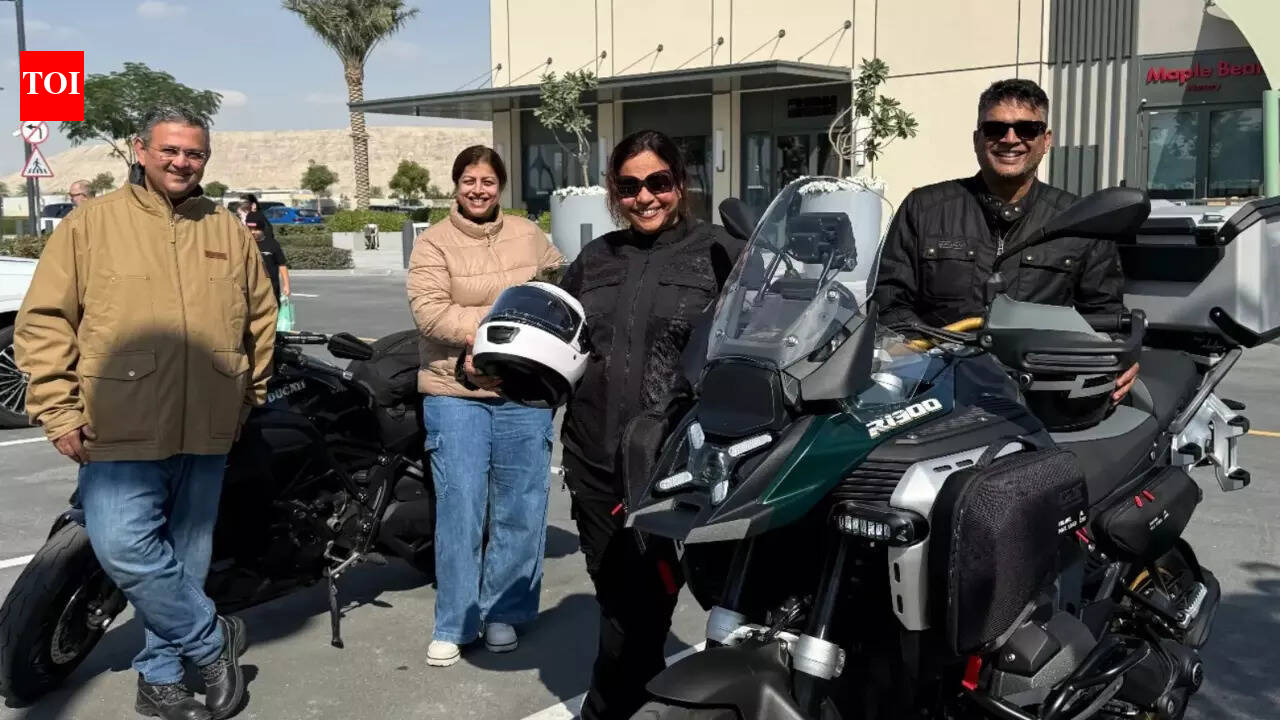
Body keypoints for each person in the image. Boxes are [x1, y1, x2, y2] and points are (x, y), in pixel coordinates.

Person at [14, 106, 277, 720]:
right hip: (118, 421)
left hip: (208, 422)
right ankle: (212, 640)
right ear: (141, 149)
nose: (182, 162)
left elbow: (260, 323)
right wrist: (58, 409)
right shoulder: (91, 224)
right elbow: (45, 321)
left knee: (186, 560)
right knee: (124, 547)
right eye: (170, 150)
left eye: (194, 153)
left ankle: (159, 680)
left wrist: (247, 399)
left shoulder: (226, 231)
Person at [558, 130, 746, 720]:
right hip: (596, 464)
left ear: (680, 184)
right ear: (615, 193)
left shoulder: (722, 251)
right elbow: (561, 344)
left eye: (657, 182)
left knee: (682, 611)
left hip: (683, 469)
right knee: (624, 609)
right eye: (629, 186)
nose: (644, 197)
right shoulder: (595, 258)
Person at [872, 78, 1138, 403]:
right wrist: (930, 356)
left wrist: (1118, 357)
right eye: (995, 129)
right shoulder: (924, 208)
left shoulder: (1080, 220)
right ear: (977, 139)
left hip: (1044, 396)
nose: (1010, 139)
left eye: (1027, 129)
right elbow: (889, 304)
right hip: (938, 394)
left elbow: (1106, 315)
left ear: (1046, 140)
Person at [407, 145, 564, 668]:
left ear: (501, 186)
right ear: (456, 185)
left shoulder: (528, 234)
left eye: (488, 181)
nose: (479, 190)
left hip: (524, 391)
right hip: (456, 392)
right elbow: (431, 313)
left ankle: (504, 612)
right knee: (462, 507)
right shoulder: (433, 242)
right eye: (469, 181)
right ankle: (455, 622)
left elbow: (557, 286)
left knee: (521, 507)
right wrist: (494, 334)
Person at [238, 194, 290, 303]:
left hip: (271, 289)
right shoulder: (244, 244)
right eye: (250, 229)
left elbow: (282, 265)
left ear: (262, 228)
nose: (253, 232)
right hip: (252, 291)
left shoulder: (272, 244)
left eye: (256, 229)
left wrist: (286, 285)